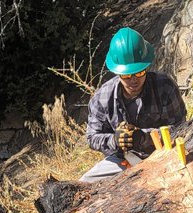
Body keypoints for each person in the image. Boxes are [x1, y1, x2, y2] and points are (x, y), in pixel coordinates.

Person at [79, 27, 186, 183]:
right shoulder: (102, 98)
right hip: (122, 159)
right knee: (85, 183)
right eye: (127, 75)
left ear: (146, 67)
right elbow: (92, 138)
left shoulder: (164, 87)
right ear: (117, 72)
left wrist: (144, 137)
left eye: (139, 72)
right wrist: (115, 141)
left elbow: (181, 127)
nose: (134, 80)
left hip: (163, 151)